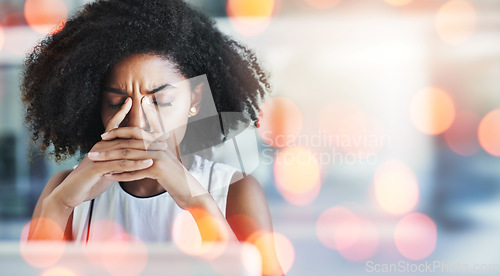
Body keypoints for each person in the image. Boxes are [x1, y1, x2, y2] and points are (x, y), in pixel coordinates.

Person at [21, 0, 283, 275]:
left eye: (161, 100)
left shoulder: (235, 192)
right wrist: (60, 204)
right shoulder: (65, 191)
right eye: (116, 102)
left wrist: (196, 200)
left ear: (195, 99)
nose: (137, 122)